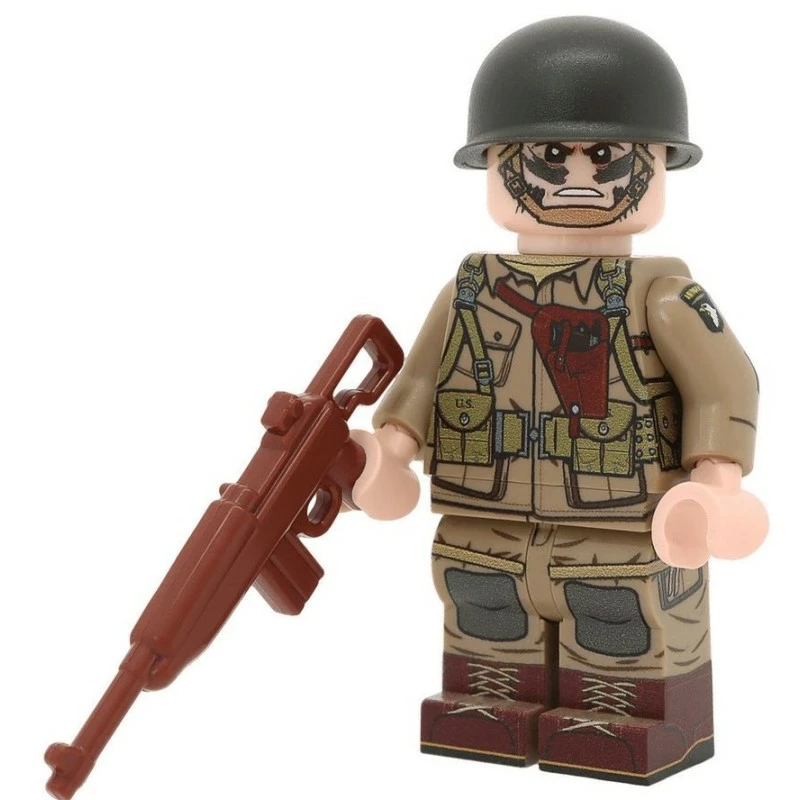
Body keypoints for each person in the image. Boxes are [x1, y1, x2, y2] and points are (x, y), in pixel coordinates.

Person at [349, 16, 767, 784]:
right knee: (484, 601)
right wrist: (391, 451)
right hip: (486, 512)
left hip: (622, 522)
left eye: (606, 156)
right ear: (495, 163)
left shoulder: (663, 296)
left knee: (617, 616)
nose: (578, 174)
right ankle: (489, 705)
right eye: (547, 154)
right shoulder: (469, 291)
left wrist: (717, 481)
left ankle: (624, 717)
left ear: (657, 163)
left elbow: (725, 384)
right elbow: (420, 382)